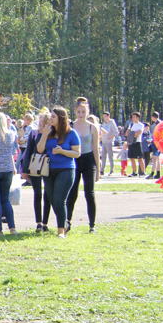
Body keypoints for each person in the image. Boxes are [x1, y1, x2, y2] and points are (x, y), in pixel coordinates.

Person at [37, 106, 80, 238]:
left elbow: (77, 153)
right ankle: (64, 222)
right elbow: (39, 149)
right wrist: (44, 135)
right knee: (52, 198)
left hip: (66, 169)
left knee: (59, 199)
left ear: (61, 119)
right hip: (49, 170)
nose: (51, 119)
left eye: (53, 116)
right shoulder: (48, 132)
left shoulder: (71, 133)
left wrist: (62, 151)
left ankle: (61, 230)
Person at [66, 98, 100, 233]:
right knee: (72, 192)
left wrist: (98, 169)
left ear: (88, 112)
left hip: (88, 160)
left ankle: (92, 225)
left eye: (83, 112)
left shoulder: (93, 127)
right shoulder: (71, 126)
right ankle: (67, 221)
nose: (81, 114)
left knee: (89, 192)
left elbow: (96, 149)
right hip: (74, 160)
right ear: (75, 112)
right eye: (79, 112)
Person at [20, 111, 53, 232]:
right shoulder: (34, 133)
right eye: (41, 121)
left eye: (45, 121)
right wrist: (25, 170)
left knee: (48, 195)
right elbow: (28, 152)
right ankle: (38, 222)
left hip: (48, 166)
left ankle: (45, 223)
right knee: (38, 194)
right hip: (35, 165)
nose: (42, 123)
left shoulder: (52, 134)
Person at [125, 112, 145, 176]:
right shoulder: (131, 125)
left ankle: (143, 172)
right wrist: (132, 133)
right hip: (131, 143)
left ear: (138, 117)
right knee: (132, 158)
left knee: (140, 158)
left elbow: (137, 134)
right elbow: (126, 134)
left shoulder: (141, 125)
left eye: (134, 117)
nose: (133, 118)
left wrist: (131, 133)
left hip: (137, 142)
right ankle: (134, 172)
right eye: (132, 117)